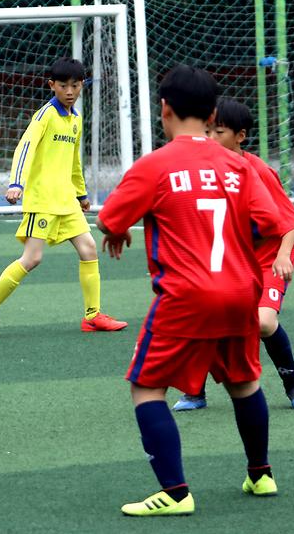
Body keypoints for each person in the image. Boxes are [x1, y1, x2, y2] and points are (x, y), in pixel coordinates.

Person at [96, 66, 283, 516]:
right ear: (213, 112)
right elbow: (271, 224)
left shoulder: (156, 164)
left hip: (186, 295)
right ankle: (261, 474)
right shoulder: (240, 164)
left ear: (164, 109)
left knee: (146, 387)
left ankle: (176, 493)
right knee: (244, 382)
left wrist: (121, 230)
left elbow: (110, 220)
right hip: (241, 292)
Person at [0, 57, 126, 340]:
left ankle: (92, 315)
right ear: (52, 85)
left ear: (82, 86)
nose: (69, 91)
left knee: (89, 249)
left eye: (75, 85)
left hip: (67, 201)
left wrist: (81, 193)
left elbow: (73, 162)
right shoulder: (44, 116)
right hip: (42, 200)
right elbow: (25, 148)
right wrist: (16, 182)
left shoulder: (75, 119)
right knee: (32, 259)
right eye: (63, 85)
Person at [173, 98, 294, 411]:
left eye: (218, 132)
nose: (210, 138)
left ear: (240, 136)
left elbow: (290, 221)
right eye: (207, 131)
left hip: (266, 261)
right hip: (227, 262)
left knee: (263, 322)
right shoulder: (203, 170)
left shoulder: (258, 171)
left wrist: (282, 257)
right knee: (204, 315)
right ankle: (194, 391)